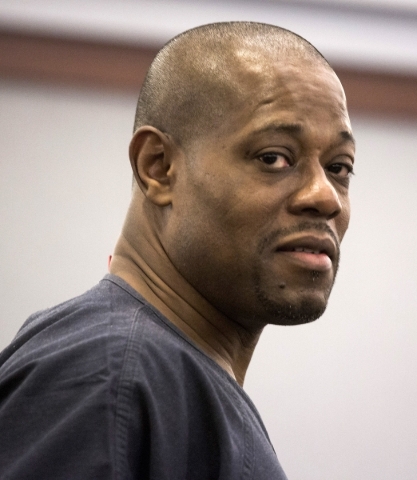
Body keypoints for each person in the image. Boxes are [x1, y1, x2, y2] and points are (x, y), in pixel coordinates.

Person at [0, 22, 355, 479]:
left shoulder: (158, 378)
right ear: (159, 167)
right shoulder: (109, 378)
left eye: (339, 167)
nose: (325, 197)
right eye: (273, 158)